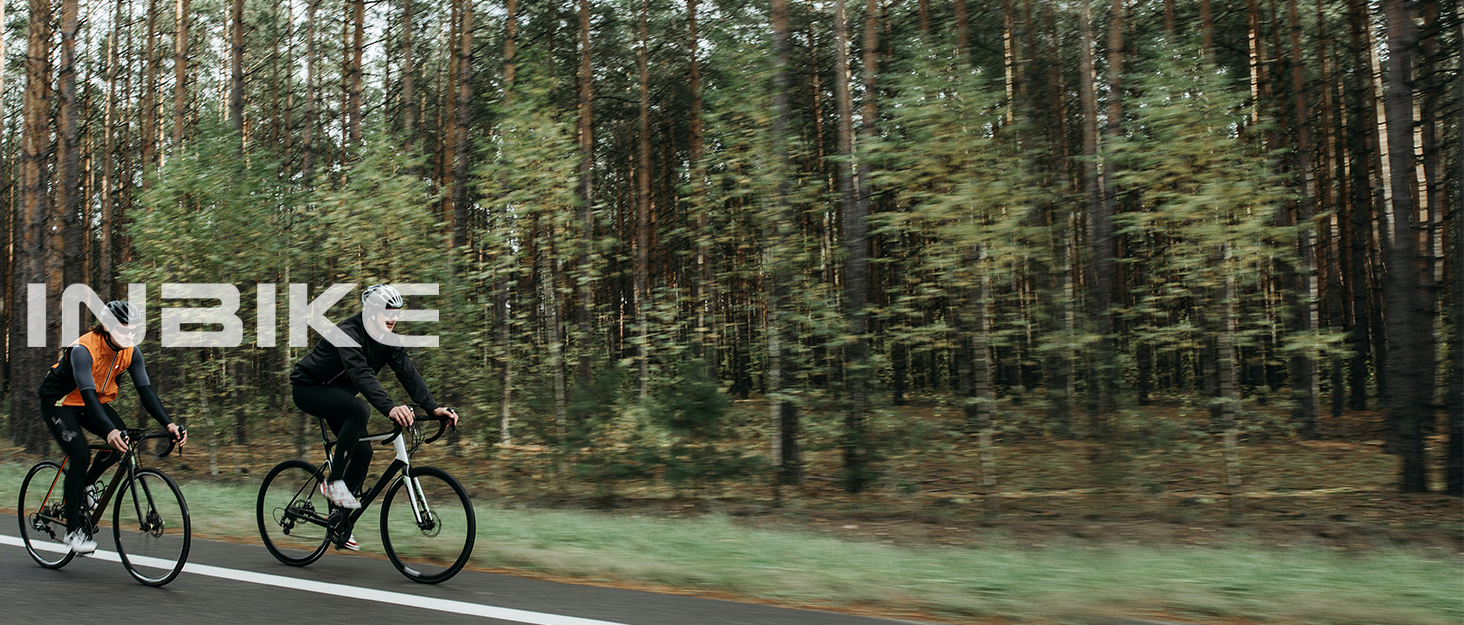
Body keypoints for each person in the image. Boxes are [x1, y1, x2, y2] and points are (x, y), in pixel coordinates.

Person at [289, 284, 457, 551]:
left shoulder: (387, 339)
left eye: (397, 313)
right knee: (360, 410)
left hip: (339, 397)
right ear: (370, 312)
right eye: (387, 312)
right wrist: (390, 408)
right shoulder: (348, 332)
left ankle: (339, 523)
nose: (393, 318)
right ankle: (333, 484)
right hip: (309, 388)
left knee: (364, 452)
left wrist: (433, 408)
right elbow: (360, 373)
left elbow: (407, 372)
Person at [37, 300, 186, 555]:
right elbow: (87, 392)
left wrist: (169, 423)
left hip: (89, 403)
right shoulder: (83, 350)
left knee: (121, 444)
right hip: (60, 403)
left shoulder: (131, 351)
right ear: (106, 327)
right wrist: (108, 431)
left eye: (133, 330)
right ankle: (73, 531)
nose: (130, 335)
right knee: (81, 454)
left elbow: (146, 391)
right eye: (123, 329)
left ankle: (86, 485)